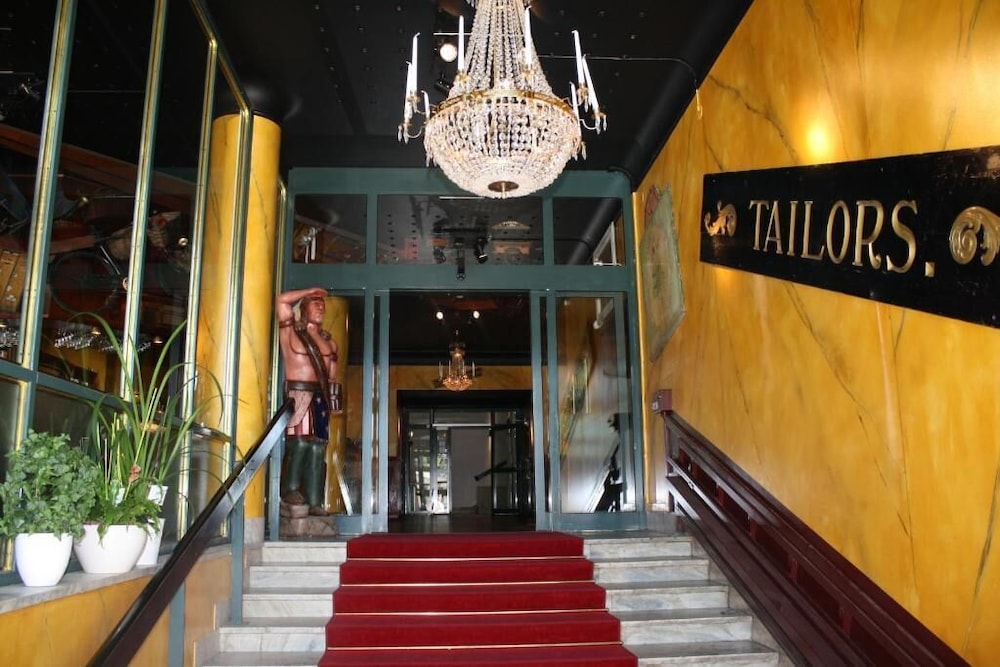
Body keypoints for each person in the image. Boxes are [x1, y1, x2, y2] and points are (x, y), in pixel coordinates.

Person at [276, 287, 339, 515]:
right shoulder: (291, 333)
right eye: (315, 303)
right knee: (300, 443)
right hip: (298, 394)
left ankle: (314, 500)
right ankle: (290, 490)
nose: (321, 307)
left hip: (320, 397)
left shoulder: (330, 343)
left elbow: (332, 378)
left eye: (323, 304)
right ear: (303, 308)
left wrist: (334, 401)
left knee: (317, 448)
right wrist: (309, 291)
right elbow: (281, 301)